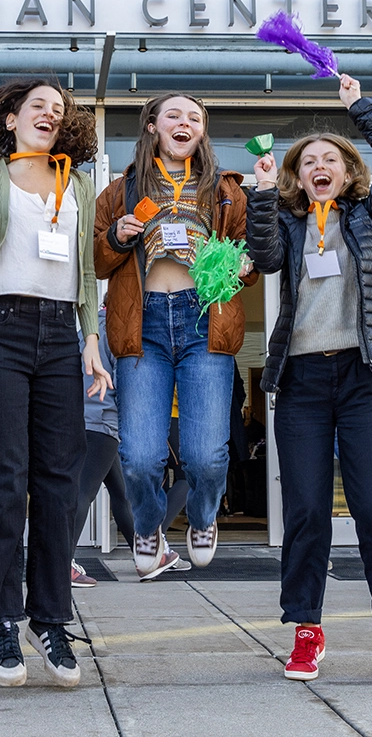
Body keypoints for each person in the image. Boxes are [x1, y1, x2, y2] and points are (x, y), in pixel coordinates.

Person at [0, 79, 111, 688]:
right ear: (10, 120)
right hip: (1, 330)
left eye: (58, 111)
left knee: (58, 484)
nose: (49, 114)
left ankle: (52, 619)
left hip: (63, 334)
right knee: (2, 479)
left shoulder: (77, 184)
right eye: (37, 106)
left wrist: (91, 339)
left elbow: (86, 272)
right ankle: (4, 621)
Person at [246, 74, 372, 683]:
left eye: (332, 159)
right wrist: (263, 193)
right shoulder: (289, 221)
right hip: (302, 385)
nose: (320, 166)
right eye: (309, 161)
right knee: (307, 512)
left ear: (347, 172)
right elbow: (263, 258)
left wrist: (359, 107)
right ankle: (306, 630)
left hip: (365, 377)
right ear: (298, 175)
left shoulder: (371, 217)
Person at [94, 93, 255, 579]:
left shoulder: (224, 191)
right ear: (152, 127)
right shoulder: (120, 191)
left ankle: (204, 517)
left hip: (204, 320)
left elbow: (247, 264)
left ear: (202, 131)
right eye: (174, 116)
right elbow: (98, 262)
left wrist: (243, 264)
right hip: (143, 325)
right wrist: (118, 236)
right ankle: (148, 526)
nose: (185, 124)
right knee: (140, 456)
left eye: (195, 118)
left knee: (207, 455)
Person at [70, 304, 136, 589]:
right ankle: (62, 563)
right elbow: (125, 384)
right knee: (84, 491)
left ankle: (149, 553)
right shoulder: (116, 330)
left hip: (83, 420)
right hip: (104, 422)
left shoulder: (86, 331)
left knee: (121, 493)